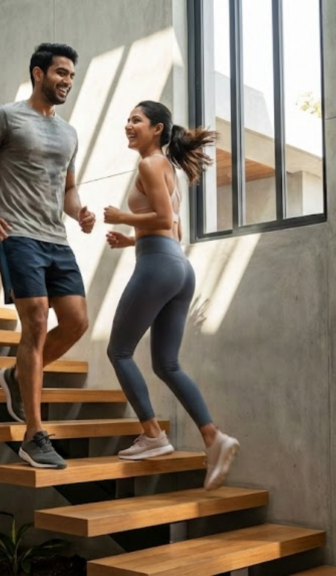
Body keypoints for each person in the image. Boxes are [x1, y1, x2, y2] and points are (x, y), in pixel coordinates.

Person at [0, 43, 95, 470]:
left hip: (56, 239)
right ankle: (33, 434)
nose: (67, 81)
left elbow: (66, 188)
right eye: (60, 73)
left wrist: (80, 211)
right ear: (38, 73)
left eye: (71, 74)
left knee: (75, 322)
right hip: (18, 236)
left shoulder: (69, 132)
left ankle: (17, 376)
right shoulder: (6, 117)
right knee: (35, 320)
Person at [102, 101, 239, 490]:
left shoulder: (149, 164)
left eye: (137, 120)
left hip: (158, 266)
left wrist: (123, 218)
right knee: (167, 364)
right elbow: (173, 230)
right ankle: (213, 437)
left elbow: (163, 221)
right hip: (178, 266)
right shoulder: (167, 168)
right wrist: (131, 240)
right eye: (128, 119)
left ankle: (152, 435)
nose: (128, 125)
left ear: (158, 128)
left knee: (119, 351)